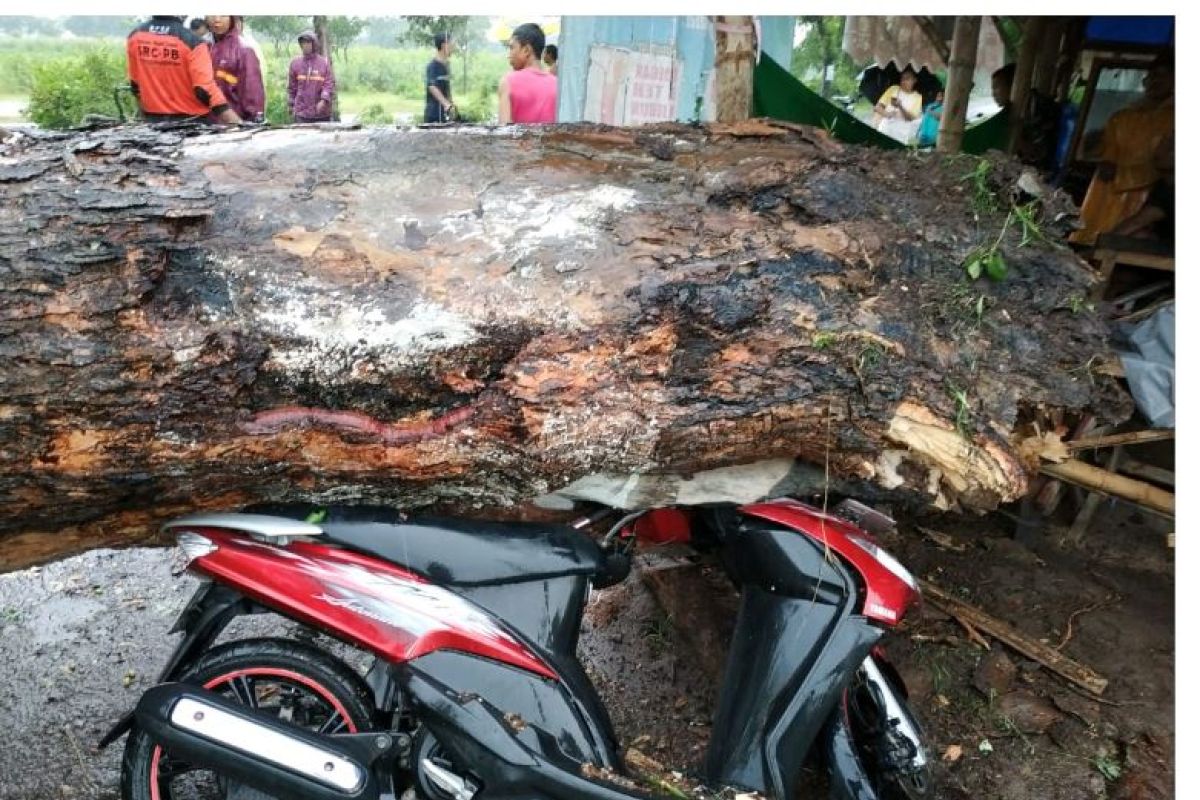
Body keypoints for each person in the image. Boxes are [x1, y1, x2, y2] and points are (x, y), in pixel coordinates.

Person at [1070, 55, 1174, 245]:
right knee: (1092, 235)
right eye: (1153, 76)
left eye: (1164, 76)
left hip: (1148, 191)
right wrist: (1107, 165)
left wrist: (1126, 175)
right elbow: (1108, 154)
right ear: (1144, 81)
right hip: (1111, 190)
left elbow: (1166, 164)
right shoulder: (1121, 117)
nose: (1157, 81)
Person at [126, 15, 239, 123]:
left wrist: (146, 117)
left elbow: (135, 84)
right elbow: (204, 89)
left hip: (153, 121)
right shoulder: (192, 41)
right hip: (191, 123)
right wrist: (233, 120)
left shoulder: (135, 36)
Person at [206, 15, 265, 123]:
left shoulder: (244, 50)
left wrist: (253, 121)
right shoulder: (203, 46)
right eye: (212, 14)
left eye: (223, 15)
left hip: (234, 125)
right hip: (206, 125)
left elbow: (253, 93)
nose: (217, 19)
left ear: (232, 18)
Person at [498, 23, 557, 125]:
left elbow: (503, 134)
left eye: (512, 48)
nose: (509, 55)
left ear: (526, 50)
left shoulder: (508, 82)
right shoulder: (557, 84)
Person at [288, 30, 336, 123]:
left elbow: (329, 84)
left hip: (321, 113)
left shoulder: (323, 63)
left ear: (314, 44)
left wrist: (323, 100)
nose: (305, 45)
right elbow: (292, 88)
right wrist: (290, 105)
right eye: (303, 43)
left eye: (308, 42)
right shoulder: (295, 64)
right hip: (301, 113)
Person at [872, 66, 922, 143]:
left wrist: (900, 106)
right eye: (902, 79)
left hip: (901, 135)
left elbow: (910, 118)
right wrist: (887, 114)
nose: (904, 81)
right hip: (885, 129)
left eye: (907, 79)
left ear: (914, 80)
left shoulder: (917, 97)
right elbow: (877, 107)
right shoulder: (894, 89)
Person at [424, 32, 454, 123]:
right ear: (444, 46)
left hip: (445, 114)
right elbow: (432, 86)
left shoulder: (446, 66)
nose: (453, 48)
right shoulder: (433, 66)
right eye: (451, 44)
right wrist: (446, 104)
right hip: (434, 114)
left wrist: (451, 104)